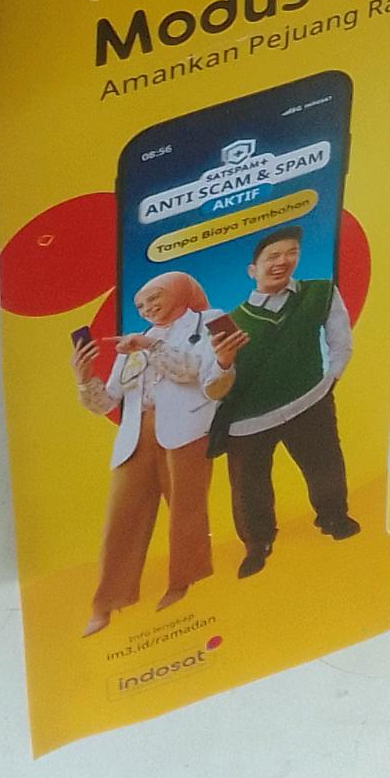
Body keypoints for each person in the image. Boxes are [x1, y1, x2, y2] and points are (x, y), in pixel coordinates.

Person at [74, 270, 240, 635]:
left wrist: (151, 347)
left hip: (187, 430)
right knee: (120, 518)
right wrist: (85, 378)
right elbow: (108, 402)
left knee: (186, 509)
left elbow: (196, 373)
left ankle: (184, 580)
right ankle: (106, 602)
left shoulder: (210, 321)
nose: (147, 308)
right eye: (140, 305)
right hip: (137, 434)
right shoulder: (138, 340)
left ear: (179, 292)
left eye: (154, 298)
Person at [210, 227, 357, 578]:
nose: (283, 261)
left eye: (291, 253)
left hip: (310, 402)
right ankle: (257, 544)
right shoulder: (229, 322)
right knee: (249, 486)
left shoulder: (319, 292)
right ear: (252, 269)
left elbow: (341, 340)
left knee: (324, 464)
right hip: (248, 420)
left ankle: (333, 517)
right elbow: (214, 384)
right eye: (272, 256)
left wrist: (330, 380)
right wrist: (223, 361)